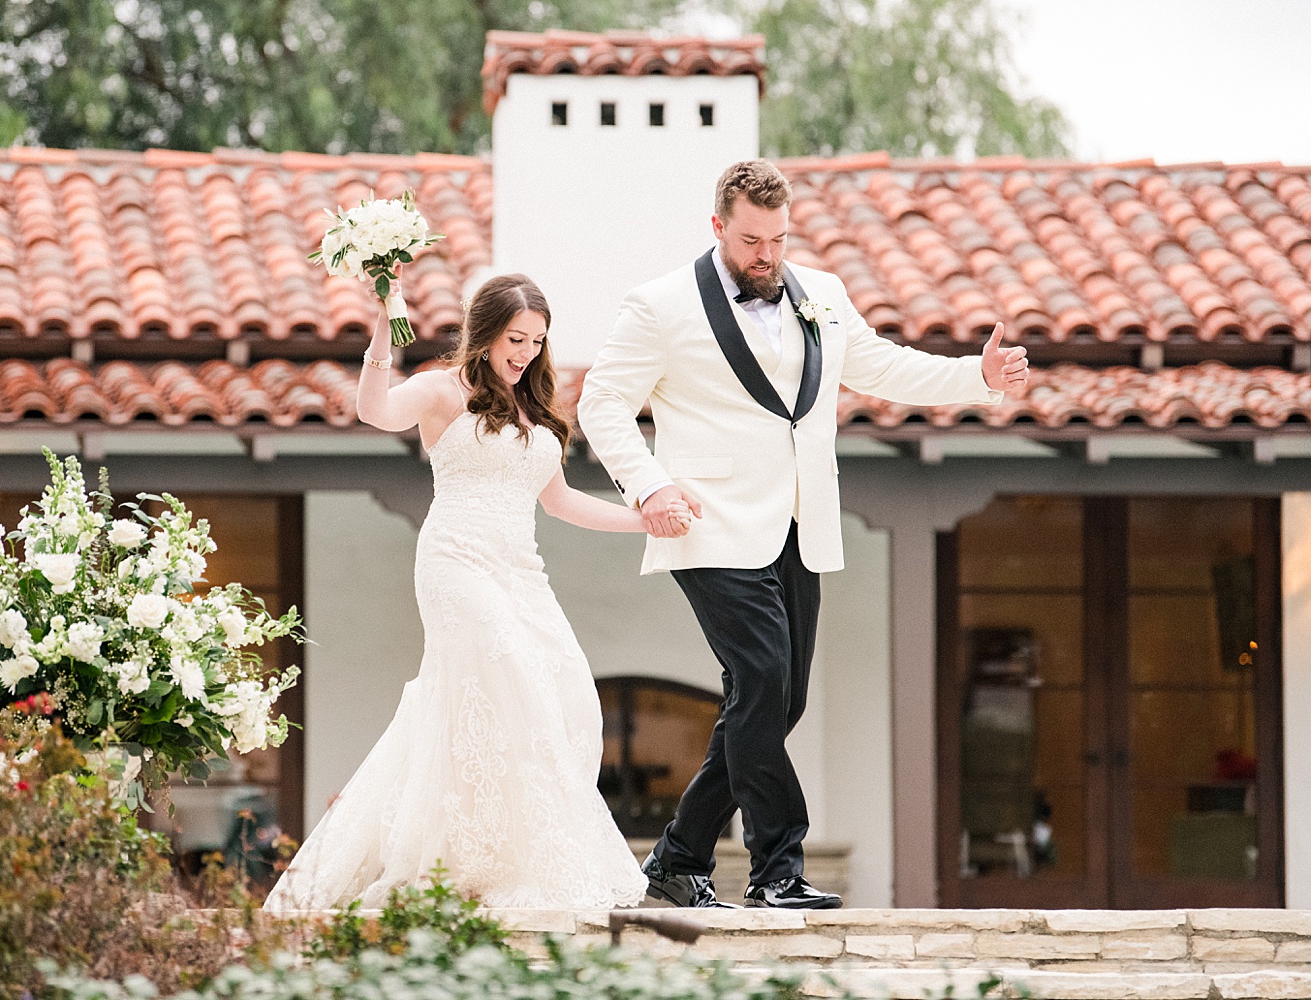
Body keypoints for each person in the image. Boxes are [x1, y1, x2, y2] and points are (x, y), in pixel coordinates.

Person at [577, 159, 1029, 909]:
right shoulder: (659, 306)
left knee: (777, 705)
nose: (768, 255)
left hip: (798, 523)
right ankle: (776, 869)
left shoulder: (822, 292)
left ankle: (678, 859)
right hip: (708, 522)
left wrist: (974, 378)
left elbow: (879, 365)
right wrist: (649, 485)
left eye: (779, 239)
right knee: (760, 683)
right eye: (752, 240)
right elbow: (602, 402)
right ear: (718, 226)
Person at [264, 273, 666, 910]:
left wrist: (642, 518)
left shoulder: (534, 406)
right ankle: (458, 867)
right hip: (455, 562)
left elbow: (560, 502)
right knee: (507, 675)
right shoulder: (439, 390)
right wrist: (383, 323)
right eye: (515, 338)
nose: (526, 353)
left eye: (537, 341)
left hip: (520, 569)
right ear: (483, 334)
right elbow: (374, 410)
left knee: (565, 690)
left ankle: (496, 851)